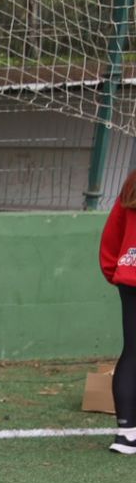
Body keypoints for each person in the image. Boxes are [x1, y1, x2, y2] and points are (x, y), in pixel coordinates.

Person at [99, 166, 136, 454]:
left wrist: (117, 271)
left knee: (133, 352)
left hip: (130, 277)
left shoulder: (132, 183)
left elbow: (112, 234)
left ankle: (126, 434)